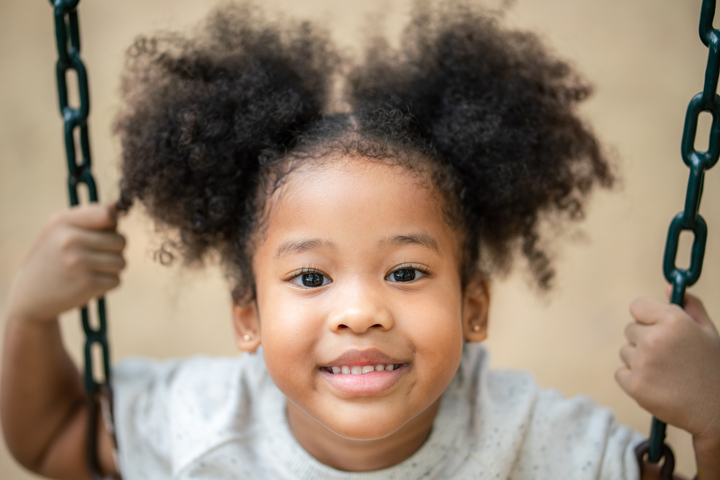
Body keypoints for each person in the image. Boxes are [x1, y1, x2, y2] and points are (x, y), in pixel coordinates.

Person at [2, 2, 719, 479]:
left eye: (406, 273)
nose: (361, 311)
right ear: (247, 317)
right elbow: (52, 438)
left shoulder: (537, 442)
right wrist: (29, 315)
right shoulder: (204, 425)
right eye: (311, 278)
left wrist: (713, 418)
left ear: (474, 307)